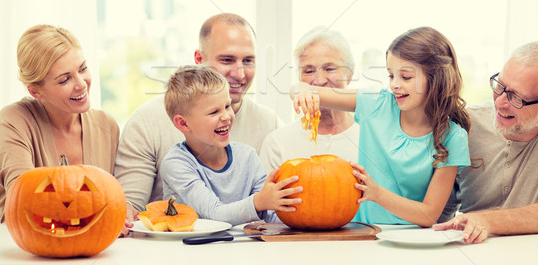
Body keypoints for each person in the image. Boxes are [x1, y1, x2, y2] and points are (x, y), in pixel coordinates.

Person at [114, 13, 283, 230]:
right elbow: (130, 208)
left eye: (248, 60)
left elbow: (273, 208)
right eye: (227, 60)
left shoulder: (267, 126)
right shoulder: (147, 123)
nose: (240, 74)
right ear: (199, 59)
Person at [291, 26, 471, 227]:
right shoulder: (376, 104)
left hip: (415, 241)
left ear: (436, 78)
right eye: (391, 75)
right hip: (364, 234)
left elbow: (429, 214)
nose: (394, 84)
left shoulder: (453, 137)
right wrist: (303, 91)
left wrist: (377, 194)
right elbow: (302, 89)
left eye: (406, 77)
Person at [434, 41, 538, 244]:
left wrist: (486, 220)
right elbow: (438, 212)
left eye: (516, 97)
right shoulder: (466, 126)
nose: (500, 102)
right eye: (500, 86)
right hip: (472, 252)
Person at [0, 24, 119, 231]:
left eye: (83, 69)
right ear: (36, 92)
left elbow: (116, 203)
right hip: (20, 253)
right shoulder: (14, 120)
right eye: (64, 79)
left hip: (91, 252)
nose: (81, 84)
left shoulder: (107, 126)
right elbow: (22, 202)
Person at [160, 65, 301, 226]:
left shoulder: (247, 156)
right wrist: (258, 202)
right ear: (183, 123)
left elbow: (270, 214)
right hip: (192, 249)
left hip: (241, 248)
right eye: (214, 112)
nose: (227, 116)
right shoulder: (176, 164)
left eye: (228, 106)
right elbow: (214, 213)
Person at [260, 27, 360, 171]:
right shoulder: (277, 144)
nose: (319, 81)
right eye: (309, 71)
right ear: (299, 78)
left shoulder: (371, 139)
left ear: (350, 75)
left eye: (330, 69)